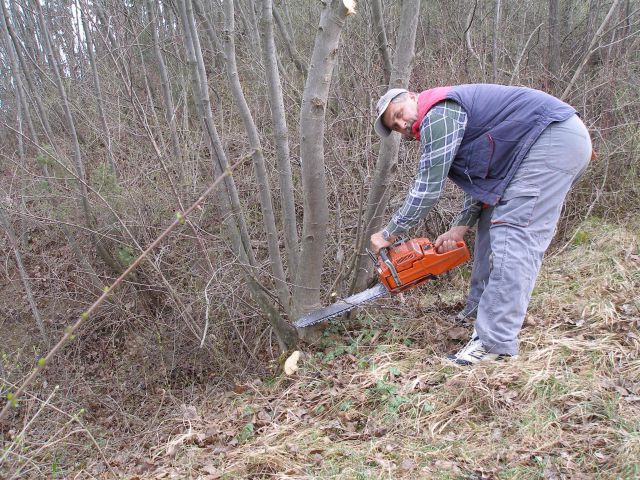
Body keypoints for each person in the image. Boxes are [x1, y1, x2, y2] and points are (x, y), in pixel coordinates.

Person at [370, 84, 592, 365]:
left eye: (399, 113)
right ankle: (479, 310)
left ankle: (493, 343)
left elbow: (427, 189)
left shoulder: (437, 113)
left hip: (551, 140)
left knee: (512, 233)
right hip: (544, 145)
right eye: (396, 126)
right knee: (491, 223)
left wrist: (390, 232)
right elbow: (484, 185)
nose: (403, 124)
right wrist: (460, 226)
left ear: (413, 98)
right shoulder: (445, 117)